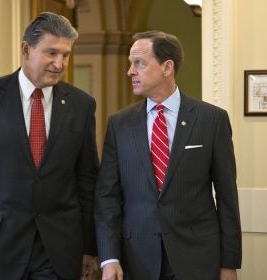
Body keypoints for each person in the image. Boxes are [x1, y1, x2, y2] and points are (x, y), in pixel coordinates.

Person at [0, 12, 99, 280]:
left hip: (59, 249)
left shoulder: (81, 105)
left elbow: (87, 181)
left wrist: (90, 247)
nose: (59, 64)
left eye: (66, 55)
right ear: (26, 49)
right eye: (51, 53)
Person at [94, 30, 242, 280]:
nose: (130, 71)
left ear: (167, 67)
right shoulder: (119, 124)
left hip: (197, 259)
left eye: (139, 63)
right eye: (130, 64)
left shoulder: (211, 120)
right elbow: (107, 196)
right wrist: (109, 257)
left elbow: (228, 197)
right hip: (136, 259)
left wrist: (229, 264)